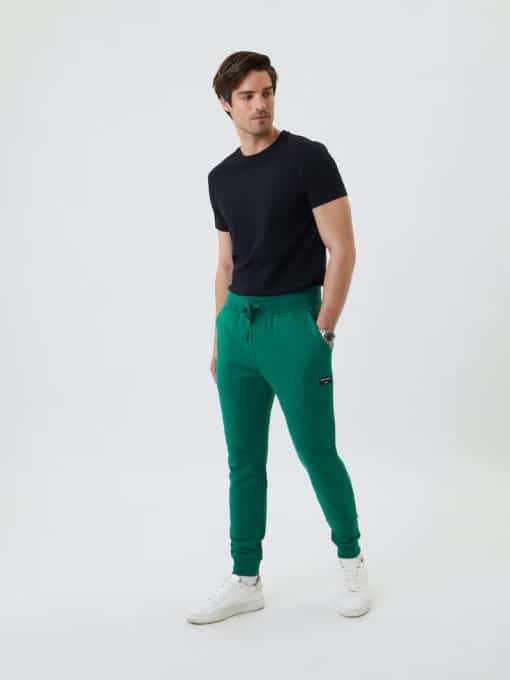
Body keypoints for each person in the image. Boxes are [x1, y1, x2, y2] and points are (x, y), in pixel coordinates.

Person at [185, 51, 370, 625]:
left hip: (296, 325)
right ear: (225, 104)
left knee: (317, 452)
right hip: (237, 328)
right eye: (247, 96)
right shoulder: (221, 177)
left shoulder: (308, 159)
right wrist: (219, 339)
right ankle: (246, 578)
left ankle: (351, 560)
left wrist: (324, 328)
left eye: (266, 92)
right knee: (243, 461)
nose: (260, 104)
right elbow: (225, 263)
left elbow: (342, 248)